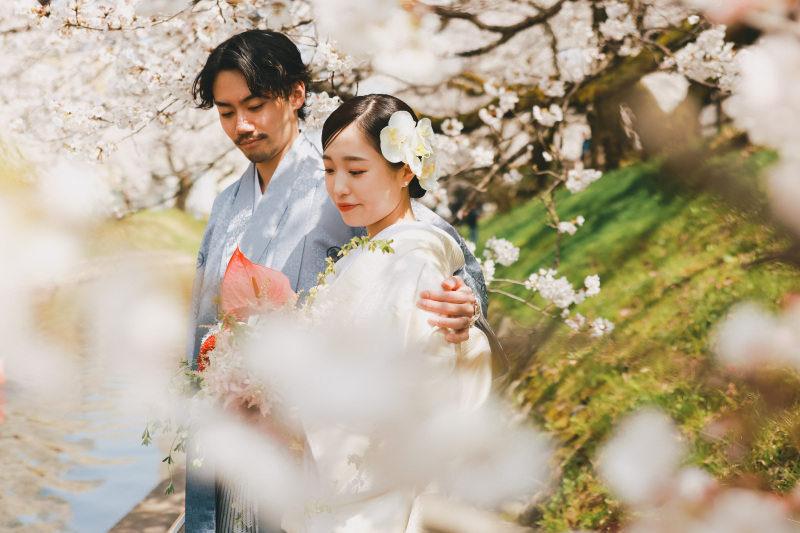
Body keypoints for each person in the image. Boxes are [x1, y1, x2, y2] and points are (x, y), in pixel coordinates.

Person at [185, 30, 500, 533]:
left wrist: (464, 304)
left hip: (325, 439)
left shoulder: (346, 175)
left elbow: (435, 251)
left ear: (296, 94)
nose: (242, 125)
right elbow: (205, 318)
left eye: (256, 105)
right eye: (226, 112)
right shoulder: (227, 204)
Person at [284, 93, 495, 533]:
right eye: (329, 170)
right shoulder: (360, 254)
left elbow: (421, 392)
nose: (339, 188)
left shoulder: (415, 263)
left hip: (374, 494)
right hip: (339, 480)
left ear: (405, 171)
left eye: (356, 170)